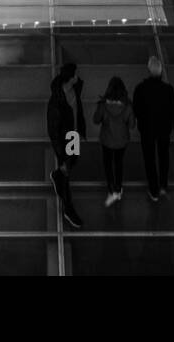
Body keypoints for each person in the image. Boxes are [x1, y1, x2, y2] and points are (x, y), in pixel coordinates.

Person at [133, 57, 174, 202]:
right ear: (161, 72)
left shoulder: (140, 88)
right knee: (163, 156)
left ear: (148, 70)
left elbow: (136, 109)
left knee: (149, 159)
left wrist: (139, 122)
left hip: (147, 129)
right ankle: (163, 185)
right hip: (163, 129)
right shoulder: (168, 89)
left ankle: (153, 190)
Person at [47, 62, 86, 229]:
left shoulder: (74, 88)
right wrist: (61, 154)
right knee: (67, 170)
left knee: (73, 161)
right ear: (70, 78)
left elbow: (79, 84)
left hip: (74, 134)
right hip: (66, 139)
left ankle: (58, 174)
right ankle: (68, 209)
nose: (78, 76)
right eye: (76, 74)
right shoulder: (56, 101)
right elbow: (53, 131)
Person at [94, 77, 136, 207]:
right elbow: (132, 125)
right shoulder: (128, 106)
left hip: (107, 140)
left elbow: (96, 120)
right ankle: (118, 189)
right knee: (118, 163)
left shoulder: (103, 105)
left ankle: (111, 189)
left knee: (107, 164)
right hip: (122, 141)